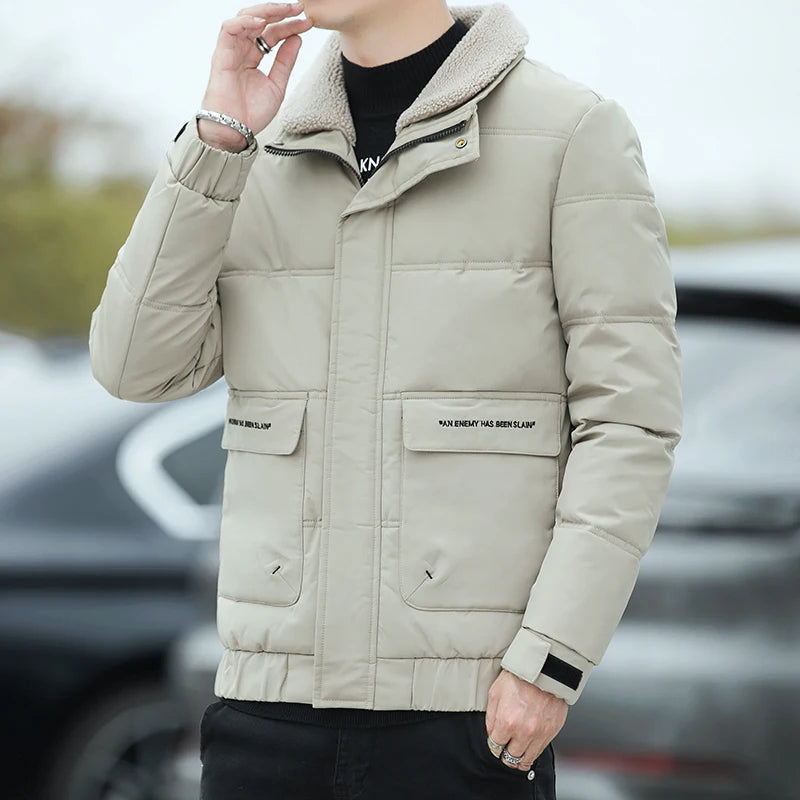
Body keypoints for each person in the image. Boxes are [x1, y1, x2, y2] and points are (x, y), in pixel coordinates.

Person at [88, 0, 683, 797]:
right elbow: (134, 366)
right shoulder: (257, 147)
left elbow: (630, 420)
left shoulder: (570, 133)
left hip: (468, 716)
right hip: (267, 711)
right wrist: (218, 139)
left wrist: (552, 659)